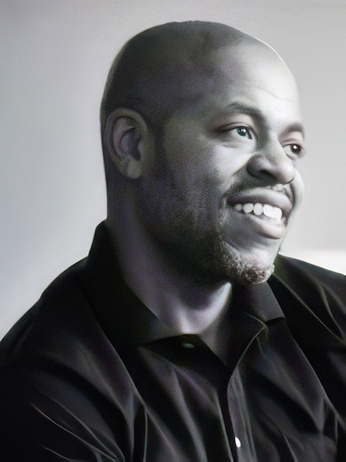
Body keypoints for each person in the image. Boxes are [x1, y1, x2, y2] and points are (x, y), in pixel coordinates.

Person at [0, 21, 345, 461]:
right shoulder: (43, 394)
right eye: (240, 130)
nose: (281, 168)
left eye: (292, 146)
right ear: (132, 146)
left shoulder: (332, 318)